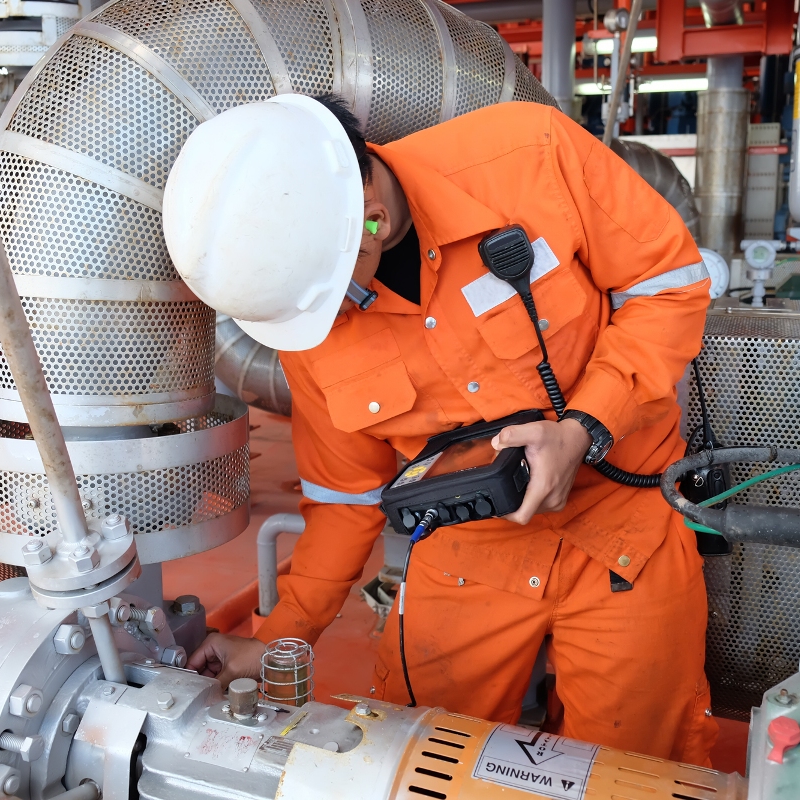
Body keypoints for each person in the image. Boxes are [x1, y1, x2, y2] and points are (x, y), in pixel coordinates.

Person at [162, 92, 717, 765]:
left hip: (623, 533)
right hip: (463, 552)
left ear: (371, 218)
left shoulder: (528, 156)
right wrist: (282, 637)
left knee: (636, 769)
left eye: (333, 296)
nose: (334, 320)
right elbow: (345, 498)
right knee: (415, 761)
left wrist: (586, 426)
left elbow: (668, 285)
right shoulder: (309, 318)